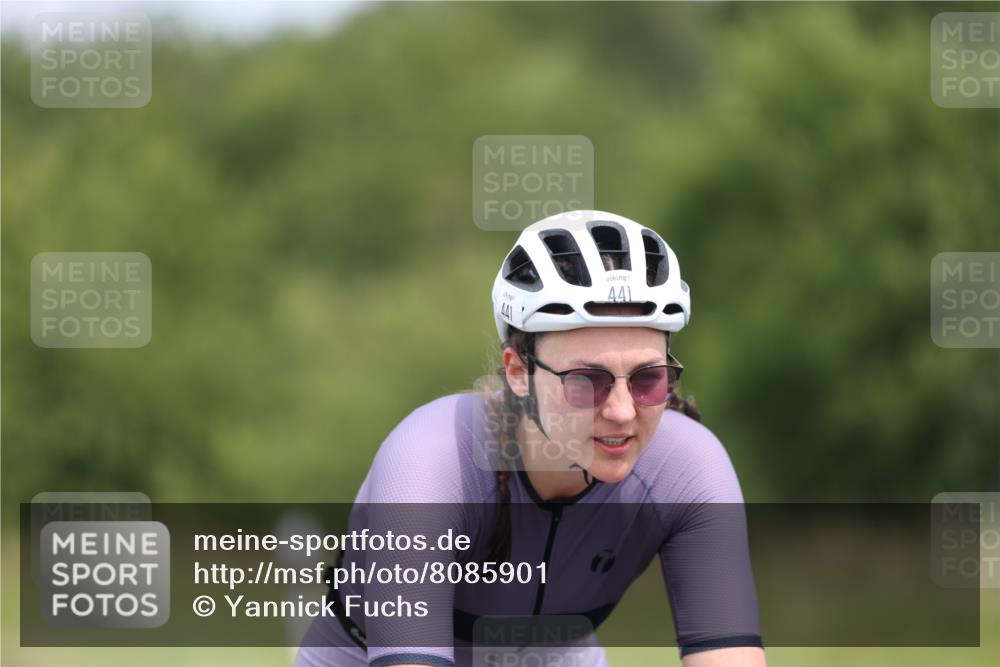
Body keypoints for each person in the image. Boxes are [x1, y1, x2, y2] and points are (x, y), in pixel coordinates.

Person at [296, 210, 766, 667]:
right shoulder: (428, 461)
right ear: (519, 372)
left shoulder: (689, 466)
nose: (623, 411)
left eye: (648, 378)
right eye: (586, 381)